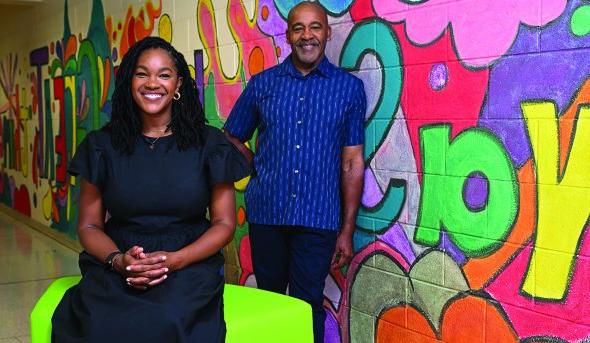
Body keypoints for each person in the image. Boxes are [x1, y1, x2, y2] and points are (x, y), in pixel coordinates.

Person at [51, 36, 249, 342]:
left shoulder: (209, 144)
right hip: (119, 261)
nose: (152, 83)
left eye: (164, 75)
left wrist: (175, 260)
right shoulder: (101, 146)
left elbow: (224, 224)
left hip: (189, 264)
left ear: (178, 85)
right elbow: (89, 225)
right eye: (142, 74)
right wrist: (119, 261)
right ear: (130, 82)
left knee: (169, 319)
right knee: (97, 325)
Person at [223, 2, 366, 342]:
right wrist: (257, 163)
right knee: (268, 302)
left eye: (315, 27)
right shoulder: (263, 84)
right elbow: (230, 135)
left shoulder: (348, 89)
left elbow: (352, 162)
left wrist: (346, 230)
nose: (307, 35)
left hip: (318, 219)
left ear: (327, 33)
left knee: (306, 306)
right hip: (268, 214)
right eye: (298, 28)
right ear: (288, 35)